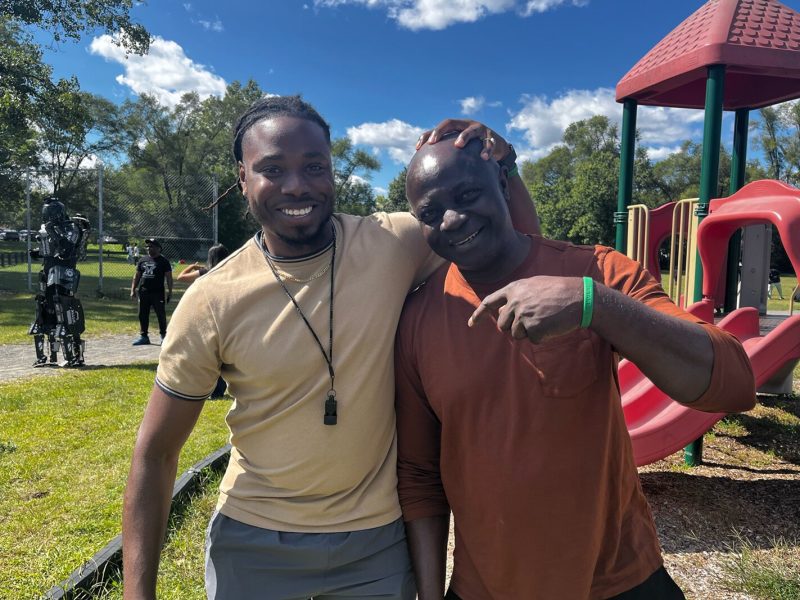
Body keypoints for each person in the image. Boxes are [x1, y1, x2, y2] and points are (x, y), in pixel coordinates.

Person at [121, 96, 539, 600]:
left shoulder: (394, 243)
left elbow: (516, 250)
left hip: (376, 546)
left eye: (314, 166)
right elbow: (157, 454)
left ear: (333, 172)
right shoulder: (212, 299)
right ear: (242, 178)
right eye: (273, 169)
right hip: (253, 544)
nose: (297, 185)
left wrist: (504, 164)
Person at [395, 136, 757, 600]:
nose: (452, 219)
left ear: (503, 185)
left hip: (619, 580)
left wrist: (593, 304)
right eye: (430, 212)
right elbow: (419, 475)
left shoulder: (596, 271)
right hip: (485, 587)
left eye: (467, 194)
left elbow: (733, 384)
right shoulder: (418, 318)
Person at [28, 197, 90, 367]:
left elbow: (66, 250)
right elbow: (49, 251)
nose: (48, 216)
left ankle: (75, 356)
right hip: (48, 273)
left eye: (51, 212)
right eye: (46, 212)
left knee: (65, 311)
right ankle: (48, 356)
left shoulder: (71, 227)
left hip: (64, 274)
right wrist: (37, 253)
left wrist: (52, 232)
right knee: (44, 311)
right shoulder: (47, 228)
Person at [176, 243, 231, 398]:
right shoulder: (230, 271)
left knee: (208, 353)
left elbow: (180, 277)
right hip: (225, 313)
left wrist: (192, 267)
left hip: (206, 313)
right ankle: (219, 389)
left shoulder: (205, 272)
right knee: (222, 353)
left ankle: (207, 388)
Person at [130, 238, 173, 346]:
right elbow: (137, 276)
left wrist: (170, 291)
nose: (149, 248)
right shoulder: (142, 260)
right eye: (148, 246)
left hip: (157, 292)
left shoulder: (164, 261)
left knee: (160, 314)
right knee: (142, 314)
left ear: (158, 248)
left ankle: (163, 336)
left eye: (151, 246)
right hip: (144, 292)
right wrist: (133, 289)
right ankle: (144, 336)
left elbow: (169, 277)